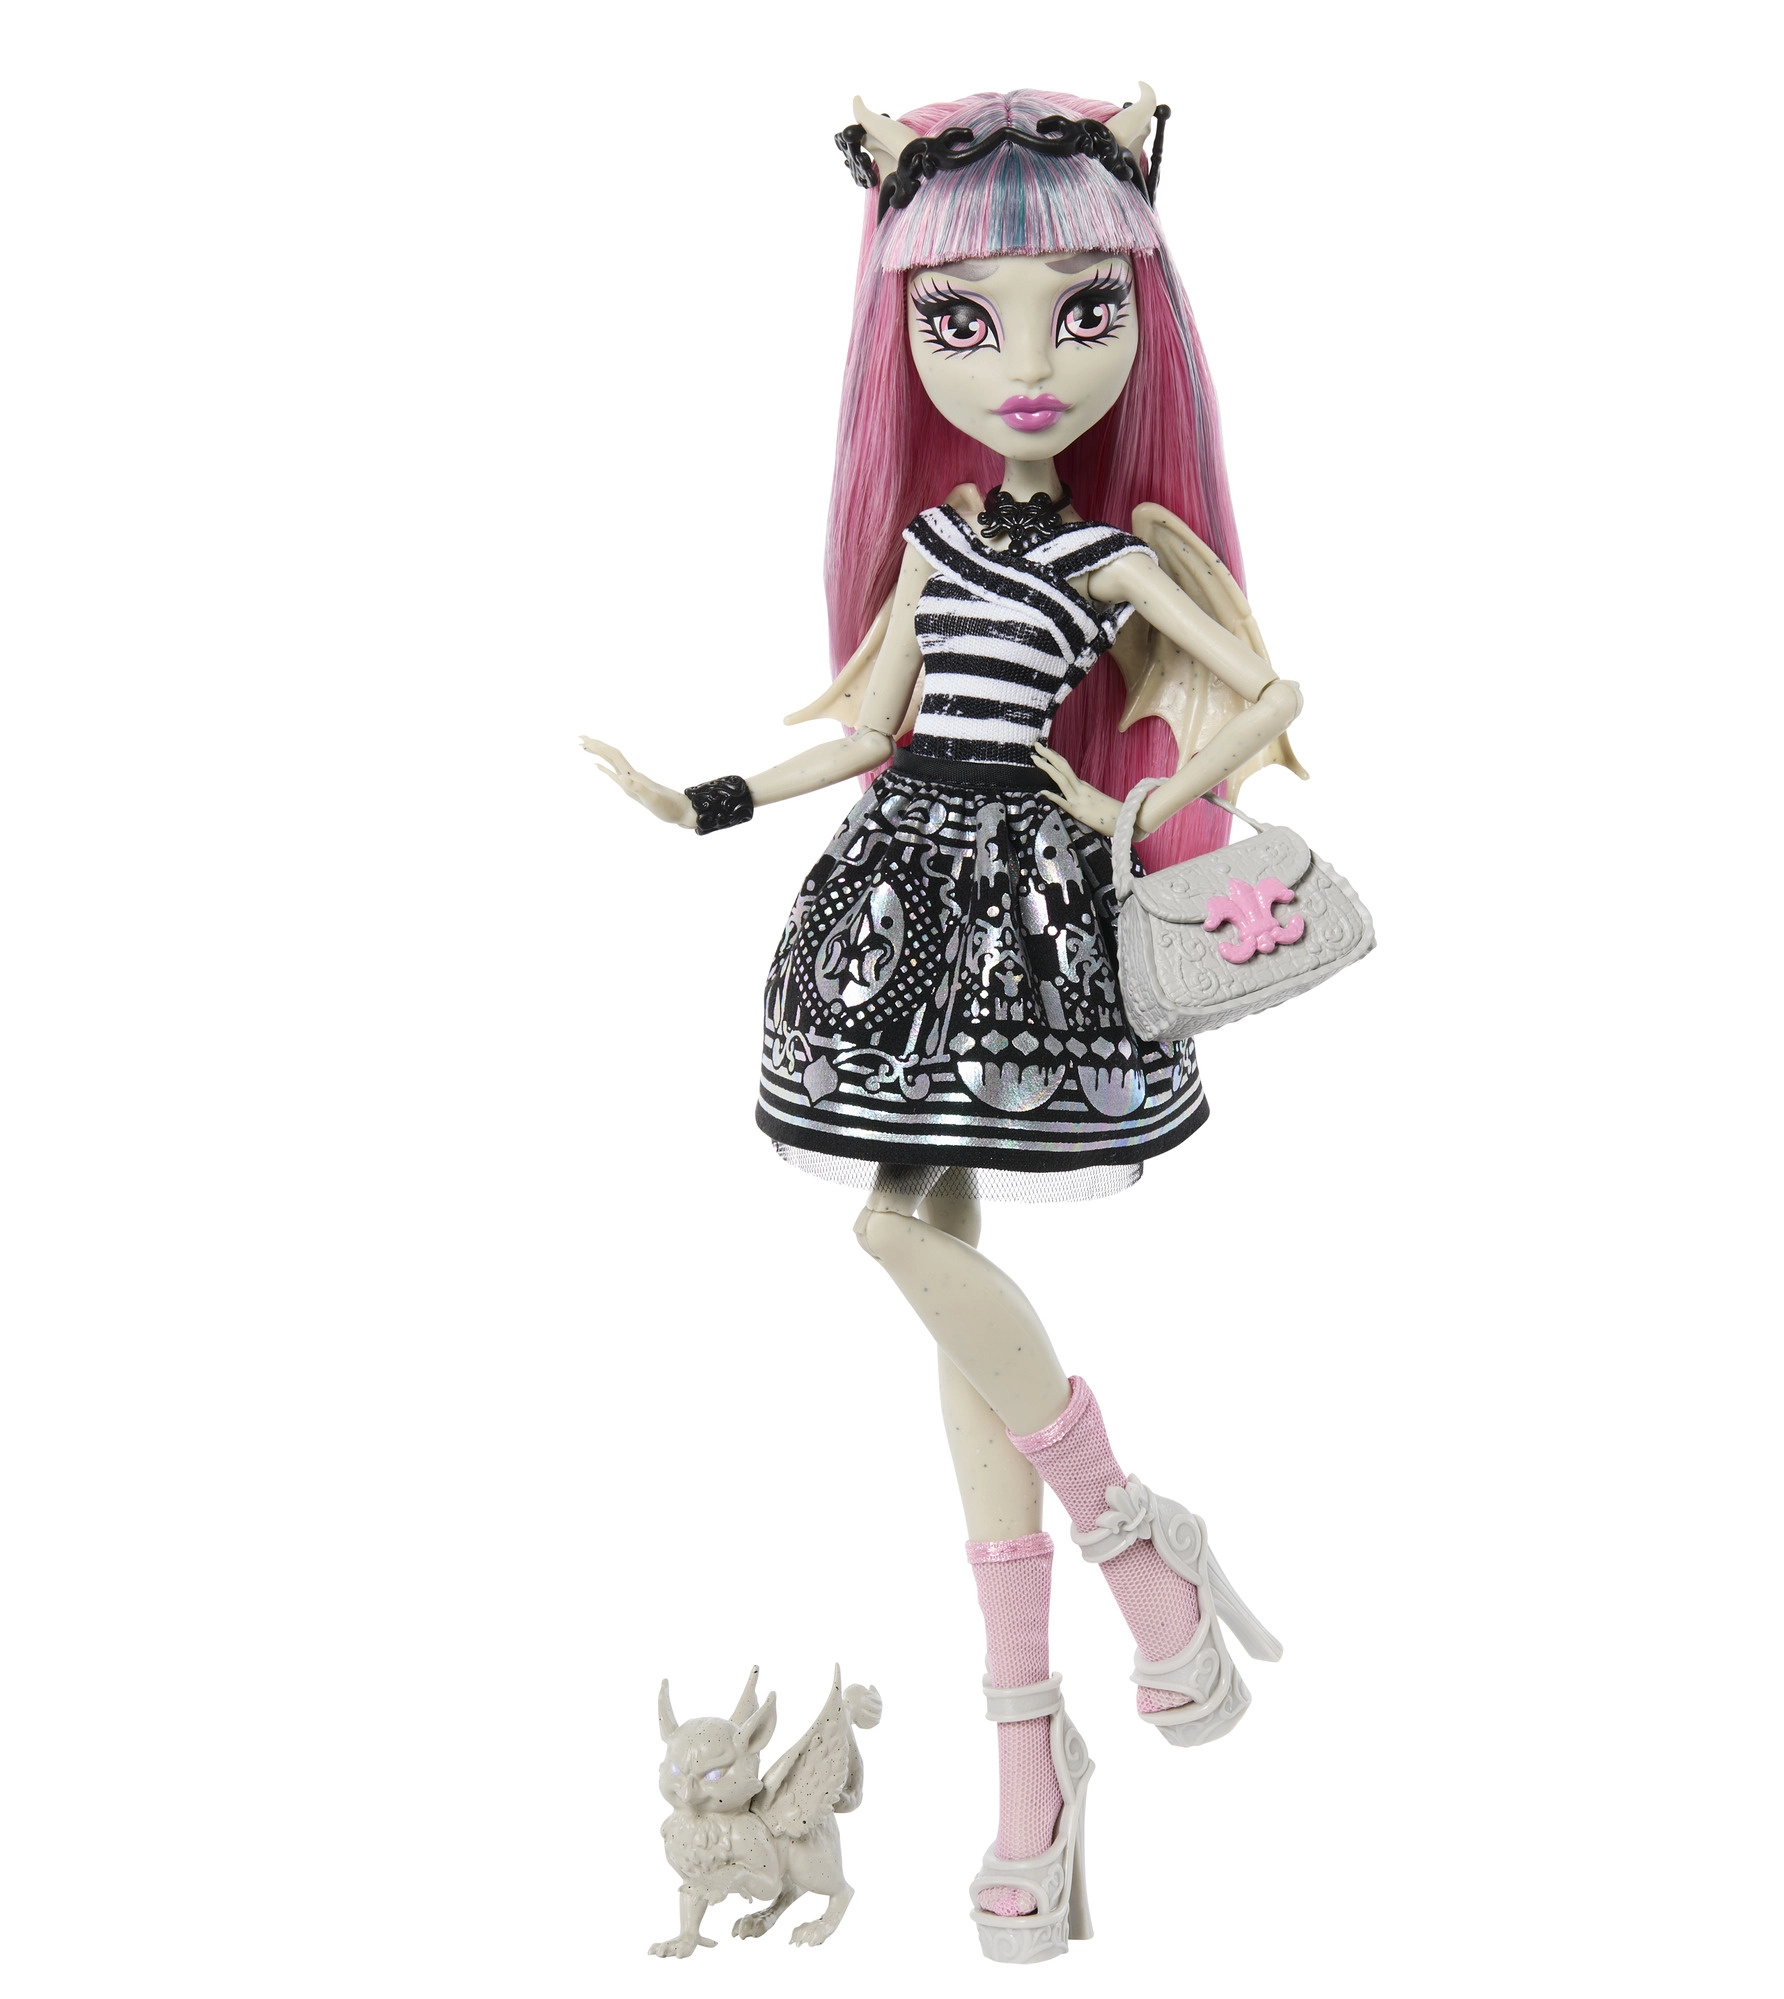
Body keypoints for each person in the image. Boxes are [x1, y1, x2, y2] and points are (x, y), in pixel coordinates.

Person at [585, 86, 1298, 1962]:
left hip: (1022, 915)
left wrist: (1145, 800)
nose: (1027, 364)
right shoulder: (929, 543)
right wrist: (706, 799)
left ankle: (1127, 1538)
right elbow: (865, 725)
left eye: (1086, 310)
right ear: (901, 336)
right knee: (931, 1268)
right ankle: (1032, 1751)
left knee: (907, 1241)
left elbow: (1264, 687)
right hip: (898, 897)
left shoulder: (1115, 557)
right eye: (964, 322)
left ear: (1142, 323)